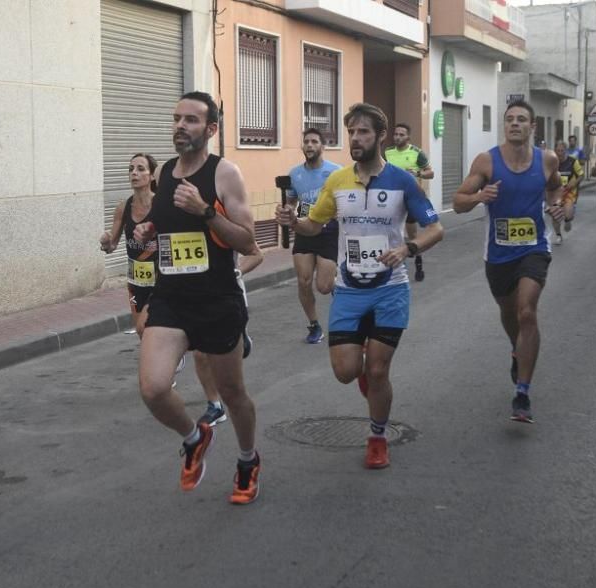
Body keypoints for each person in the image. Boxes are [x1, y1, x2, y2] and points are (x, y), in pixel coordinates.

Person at [276, 103, 443, 469]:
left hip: (390, 289)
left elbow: (435, 228)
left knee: (380, 369)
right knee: (345, 371)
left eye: (363, 132)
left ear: (380, 137)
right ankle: (367, 375)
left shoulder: (402, 181)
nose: (356, 138)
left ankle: (378, 436)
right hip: (349, 290)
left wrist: (408, 248)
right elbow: (314, 226)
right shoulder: (336, 182)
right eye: (351, 132)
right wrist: (293, 220)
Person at [132, 92, 262, 504]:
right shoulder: (165, 173)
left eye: (191, 120)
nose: (180, 126)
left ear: (210, 129)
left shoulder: (225, 174)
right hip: (171, 298)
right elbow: (167, 225)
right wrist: (149, 231)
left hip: (217, 300)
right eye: (176, 119)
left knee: (233, 393)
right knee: (153, 388)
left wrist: (207, 210)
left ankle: (247, 460)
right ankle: (194, 437)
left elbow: (247, 241)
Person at [452, 100, 564, 423]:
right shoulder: (487, 161)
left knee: (527, 311)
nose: (515, 124)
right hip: (498, 254)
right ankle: (517, 350)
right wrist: (478, 197)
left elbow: (556, 189)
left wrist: (557, 205)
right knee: (509, 312)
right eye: (510, 119)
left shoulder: (547, 160)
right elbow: (458, 202)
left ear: (532, 127)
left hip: (533, 248)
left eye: (521, 120)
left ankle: (522, 393)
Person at [192, 245, 264, 426]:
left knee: (230, 379)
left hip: (228, 296)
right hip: (194, 296)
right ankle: (215, 406)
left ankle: (241, 335)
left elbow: (256, 255)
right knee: (200, 354)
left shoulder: (223, 219)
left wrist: (235, 272)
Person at [286, 128, 340, 344]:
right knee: (303, 281)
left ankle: (341, 290)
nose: (309, 145)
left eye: (314, 141)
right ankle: (314, 326)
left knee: (324, 286)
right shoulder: (294, 174)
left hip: (329, 230)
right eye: (306, 141)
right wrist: (288, 211)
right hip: (305, 229)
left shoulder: (336, 172)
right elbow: (291, 201)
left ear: (322, 147)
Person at [100, 153, 159, 336]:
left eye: (140, 169)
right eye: (131, 169)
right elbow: (112, 246)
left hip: (161, 279)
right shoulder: (123, 208)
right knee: (141, 332)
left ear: (151, 176)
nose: (134, 173)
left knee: (146, 326)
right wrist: (106, 241)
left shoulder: (161, 204)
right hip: (135, 281)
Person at [384, 123, 434, 281]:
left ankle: (419, 263)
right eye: (396, 134)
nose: (397, 137)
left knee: (412, 235)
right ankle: (392, 266)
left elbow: (430, 173)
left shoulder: (416, 153)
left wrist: (418, 172)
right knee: (390, 233)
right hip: (391, 198)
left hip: (411, 198)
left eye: (401, 135)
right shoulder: (387, 152)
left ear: (408, 137)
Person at [553, 140, 583, 240]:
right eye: (558, 150)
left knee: (568, 213)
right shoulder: (552, 162)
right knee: (555, 215)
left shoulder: (572, 161)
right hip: (556, 193)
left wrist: (574, 183)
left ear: (566, 151)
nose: (560, 153)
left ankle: (568, 220)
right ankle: (558, 235)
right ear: (555, 151)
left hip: (569, 193)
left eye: (562, 150)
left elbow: (581, 175)